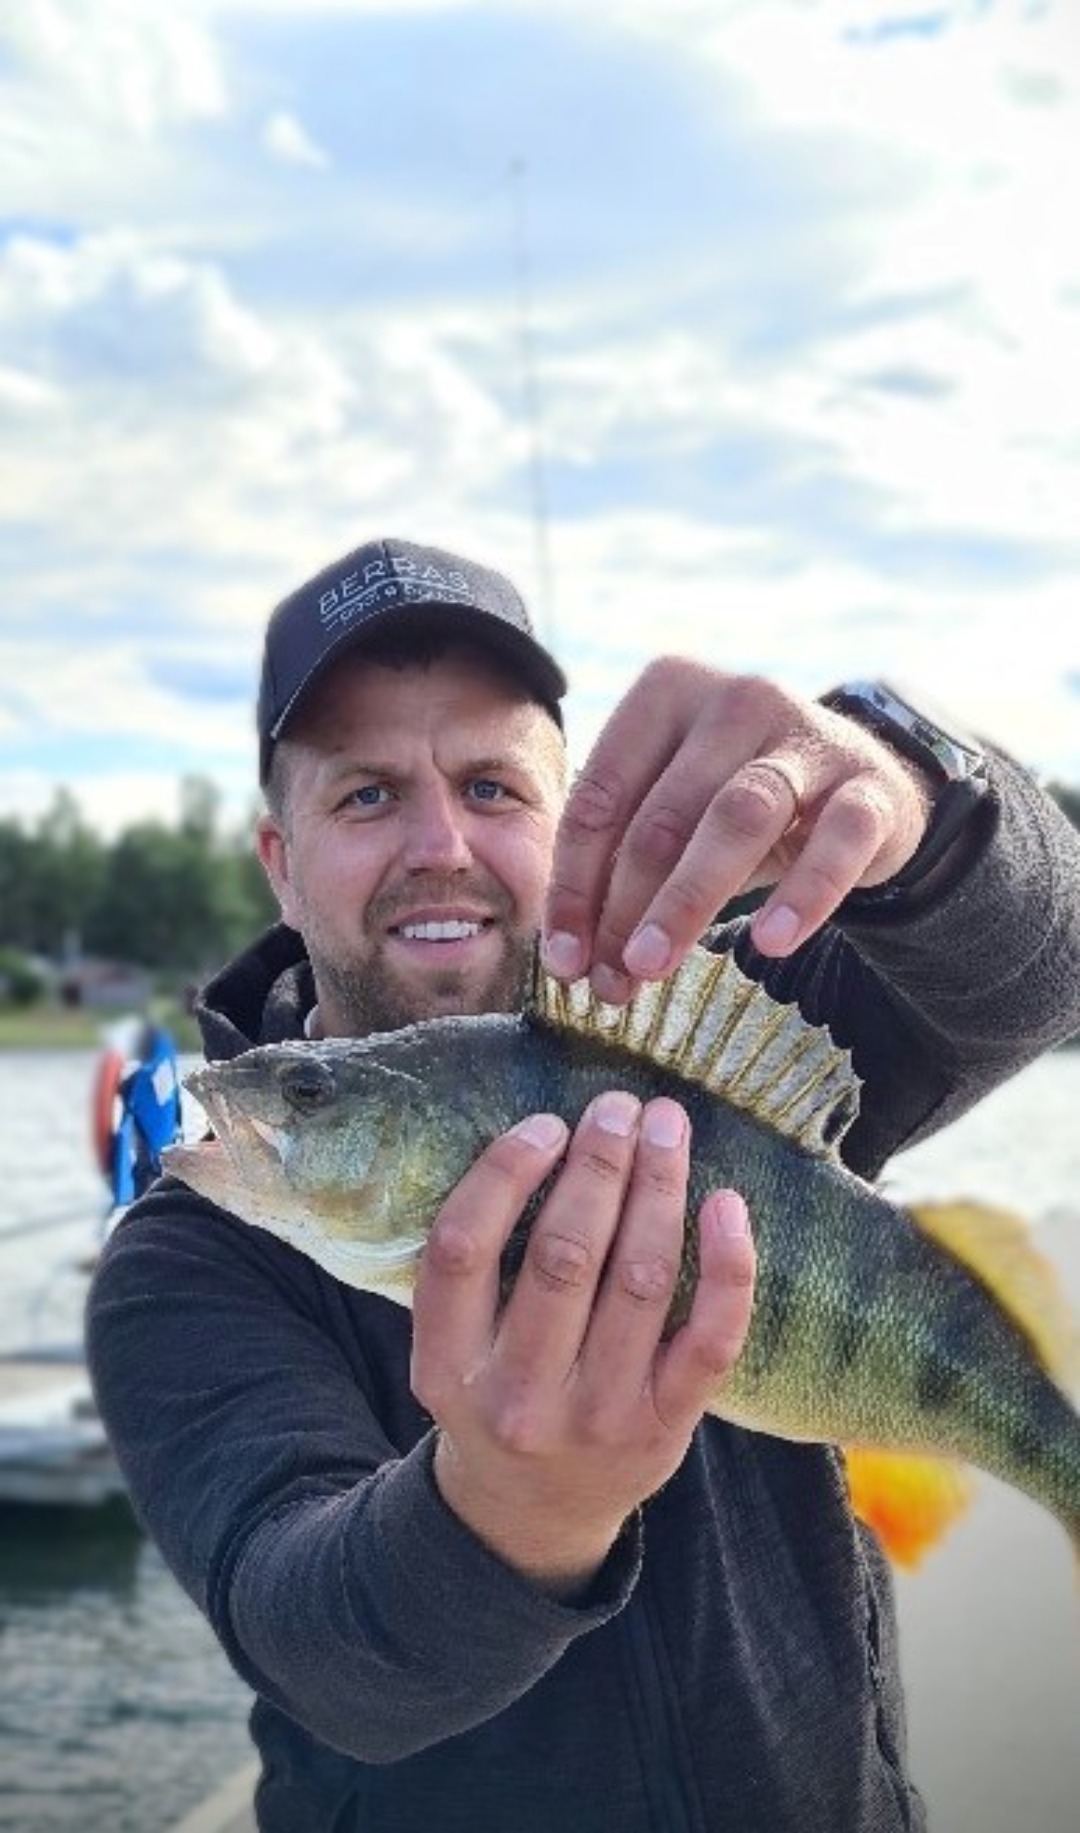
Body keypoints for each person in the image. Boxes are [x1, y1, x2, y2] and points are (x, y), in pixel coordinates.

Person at [86, 535, 1080, 1833]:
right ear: (280, 857)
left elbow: (1044, 971)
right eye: (368, 795)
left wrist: (909, 792)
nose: (440, 842)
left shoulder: (738, 1030)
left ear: (566, 821)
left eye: (492, 786)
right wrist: (517, 1512)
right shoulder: (187, 1260)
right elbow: (321, 1646)